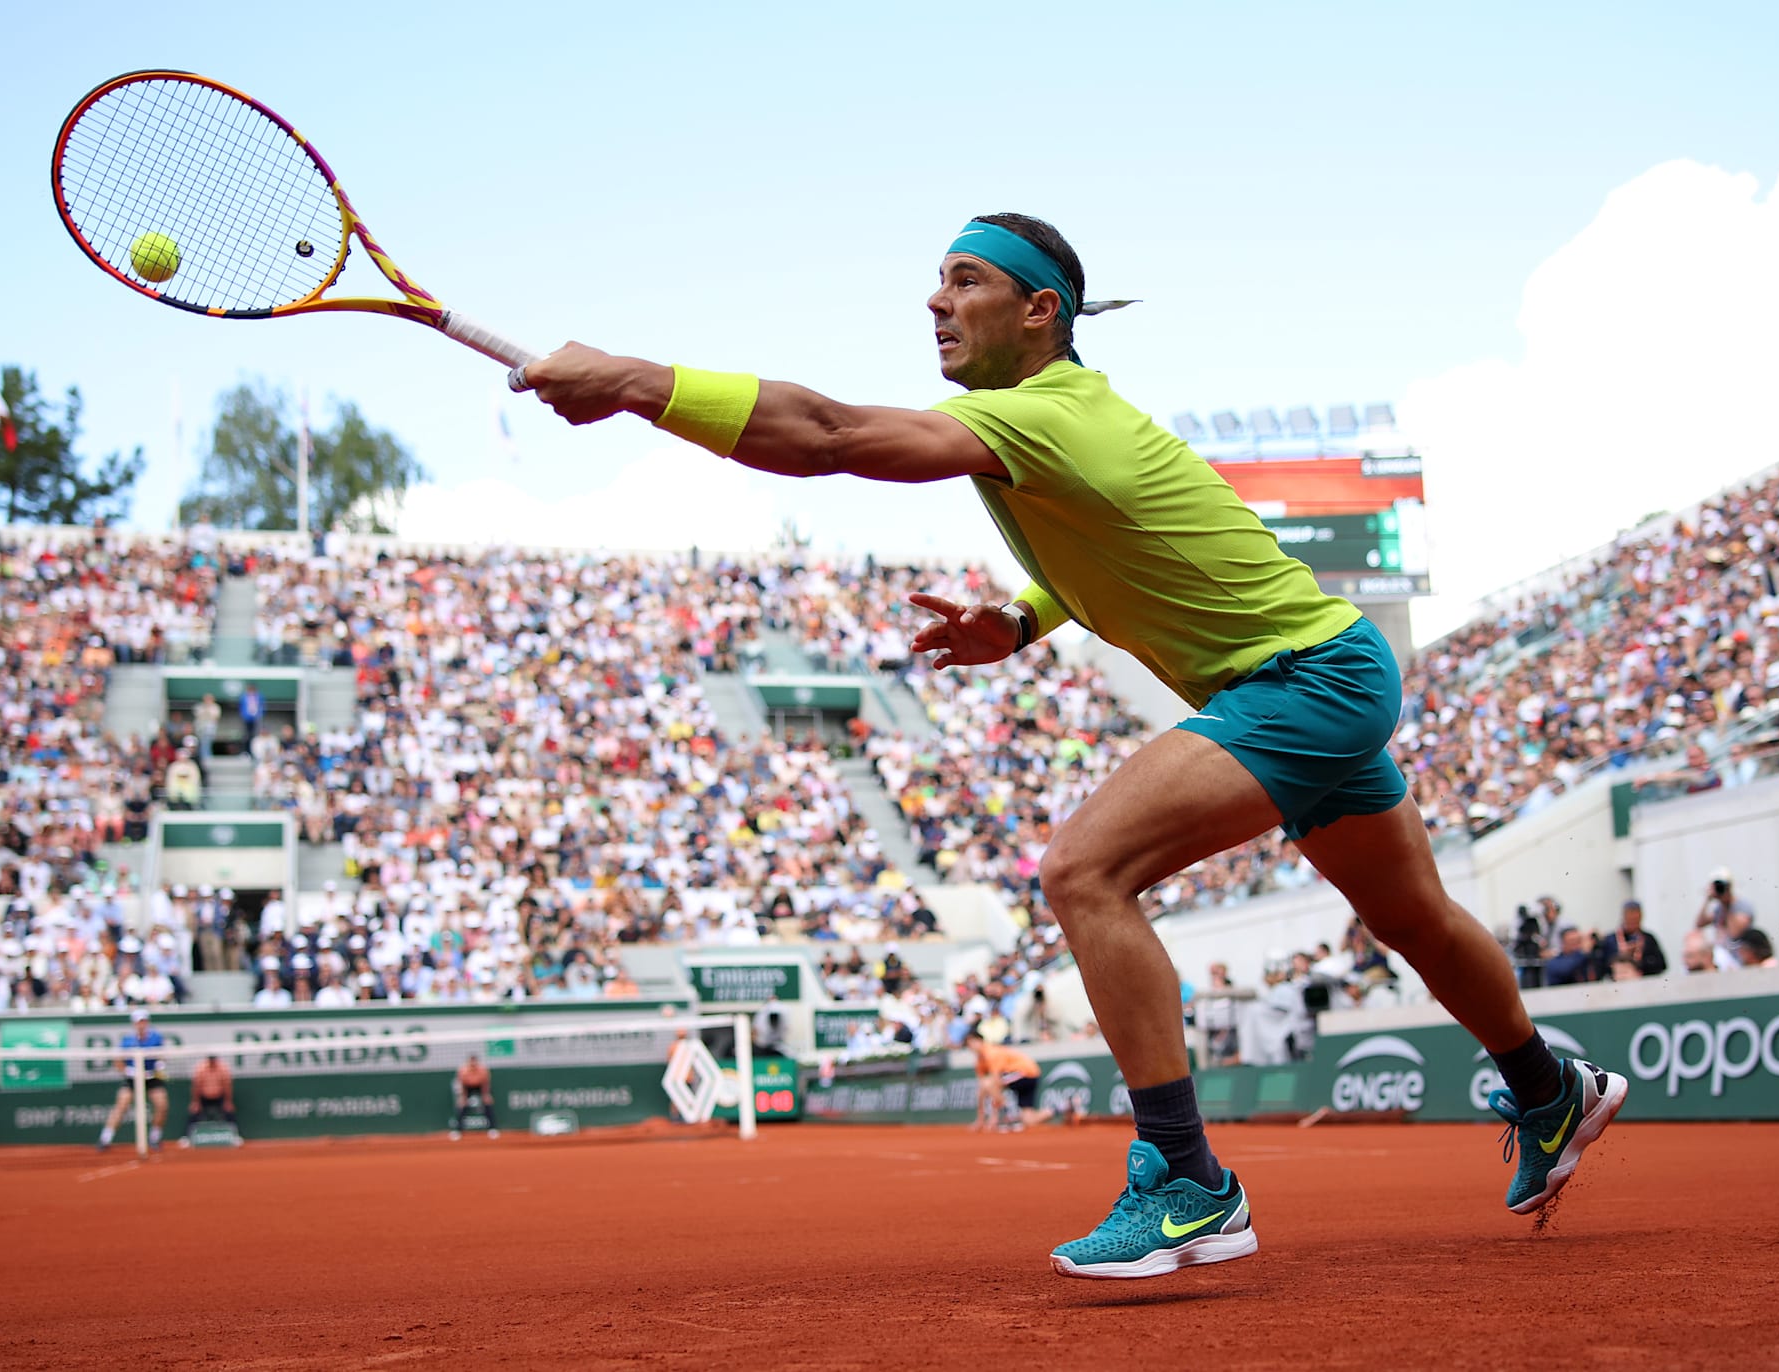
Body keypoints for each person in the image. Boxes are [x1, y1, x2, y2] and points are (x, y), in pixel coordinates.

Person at [521, 211, 1625, 1280]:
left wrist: (631, 381)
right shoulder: (1064, 419)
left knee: (1083, 870)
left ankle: (1186, 1179)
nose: (933, 299)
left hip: (1302, 678)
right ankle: (1546, 1088)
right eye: (937, 279)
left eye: (964, 280)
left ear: (1039, 311)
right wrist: (1020, 619)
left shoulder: (1042, 415)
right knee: (1409, 918)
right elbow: (1119, 542)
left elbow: (828, 437)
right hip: (1325, 668)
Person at [98, 1010, 170, 1151]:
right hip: (132, 1078)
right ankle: (105, 1139)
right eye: (138, 1022)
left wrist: (158, 1066)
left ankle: (154, 1138)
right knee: (121, 1105)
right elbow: (117, 1061)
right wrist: (129, 1071)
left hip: (151, 1077)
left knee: (162, 1105)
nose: (141, 1024)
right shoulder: (127, 1041)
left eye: (143, 1021)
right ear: (134, 1024)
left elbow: (162, 1056)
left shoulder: (156, 1038)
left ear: (147, 1022)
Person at [971, 1039, 1054, 1131]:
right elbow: (981, 1088)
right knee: (1028, 1120)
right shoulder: (979, 1061)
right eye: (969, 1044)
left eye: (972, 1042)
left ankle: (1007, 1116)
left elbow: (995, 1081)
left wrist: (994, 1116)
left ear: (980, 1041)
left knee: (989, 1084)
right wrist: (980, 1119)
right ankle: (1054, 1111)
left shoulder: (992, 1053)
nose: (971, 1046)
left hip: (1025, 1073)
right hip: (1031, 1074)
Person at [1599, 901, 1668, 978]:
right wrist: (1620, 955)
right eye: (1630, 917)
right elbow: (1601, 968)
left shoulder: (1648, 938)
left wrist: (1640, 962)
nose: (1633, 921)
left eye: (1636, 918)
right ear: (1624, 917)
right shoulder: (1611, 940)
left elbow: (1662, 965)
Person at [183, 1054, 238, 1144]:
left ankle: (235, 1136)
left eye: (214, 1059)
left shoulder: (223, 1068)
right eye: (210, 1059)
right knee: (193, 1113)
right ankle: (187, 1137)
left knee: (229, 1112)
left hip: (219, 1097)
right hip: (203, 1098)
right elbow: (196, 1086)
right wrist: (196, 1102)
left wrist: (228, 1102)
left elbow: (227, 1086)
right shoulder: (200, 1068)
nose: (212, 1061)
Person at [448, 1053, 496, 1140]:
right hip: (467, 1087)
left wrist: (486, 1095)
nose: (473, 1064)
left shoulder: (483, 1070)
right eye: (471, 1063)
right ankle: (458, 1131)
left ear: (477, 1062)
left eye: (475, 1062)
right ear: (468, 1062)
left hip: (479, 1087)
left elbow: (485, 1084)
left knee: (488, 1103)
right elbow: (462, 1085)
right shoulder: (463, 1071)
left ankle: (492, 1129)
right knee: (461, 1105)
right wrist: (463, 1097)